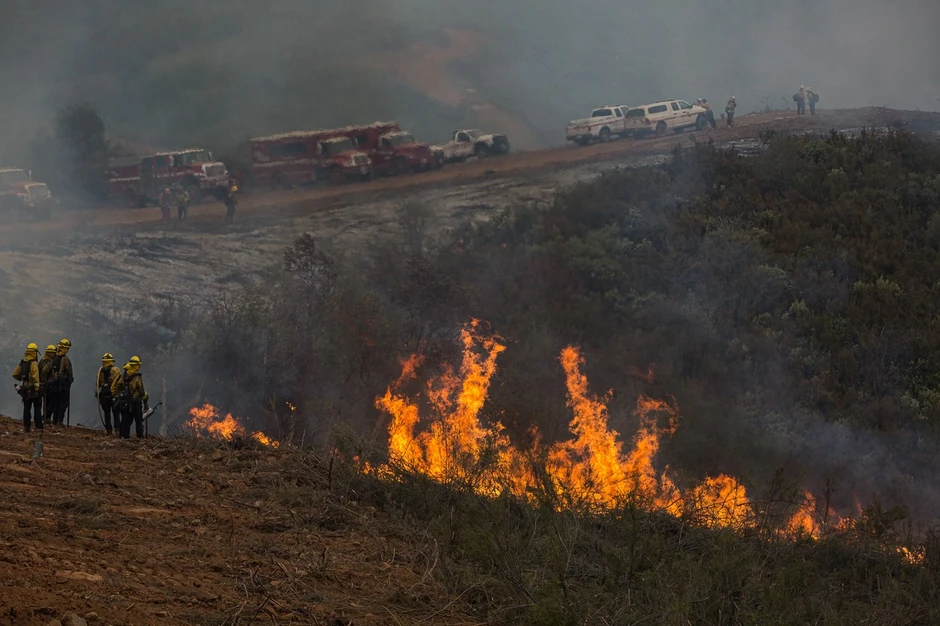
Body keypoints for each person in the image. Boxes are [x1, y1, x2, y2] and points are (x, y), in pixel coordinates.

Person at [114, 356, 148, 439]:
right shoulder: (137, 376)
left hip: (125, 401)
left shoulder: (124, 374)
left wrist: (121, 395)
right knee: (138, 419)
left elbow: (118, 386)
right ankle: (139, 436)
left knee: (126, 419)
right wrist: (145, 400)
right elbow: (141, 390)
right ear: (137, 365)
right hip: (136, 401)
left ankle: (125, 436)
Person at [12, 343, 42, 432]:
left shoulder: (23, 362)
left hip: (24, 389)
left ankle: (26, 427)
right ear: (35, 353)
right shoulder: (34, 363)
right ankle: (38, 427)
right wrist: (37, 389)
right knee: (37, 408)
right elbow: (35, 377)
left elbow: (15, 374)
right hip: (33, 389)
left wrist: (22, 378)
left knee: (26, 408)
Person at [95, 353, 122, 435]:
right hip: (114, 395)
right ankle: (117, 430)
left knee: (107, 413)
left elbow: (97, 384)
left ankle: (109, 430)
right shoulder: (116, 370)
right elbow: (120, 382)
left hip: (104, 395)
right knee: (116, 413)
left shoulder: (100, 371)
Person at [50, 338, 73, 426]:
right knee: (63, 403)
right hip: (63, 385)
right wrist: (70, 380)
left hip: (54, 384)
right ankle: (60, 420)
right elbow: (68, 371)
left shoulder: (55, 357)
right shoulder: (65, 359)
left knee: (56, 402)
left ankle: (55, 420)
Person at [38, 344, 56, 423]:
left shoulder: (42, 360)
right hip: (47, 385)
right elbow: (44, 371)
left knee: (45, 402)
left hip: (41, 384)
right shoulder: (48, 363)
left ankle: (45, 417)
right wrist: (46, 381)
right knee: (50, 401)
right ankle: (46, 418)